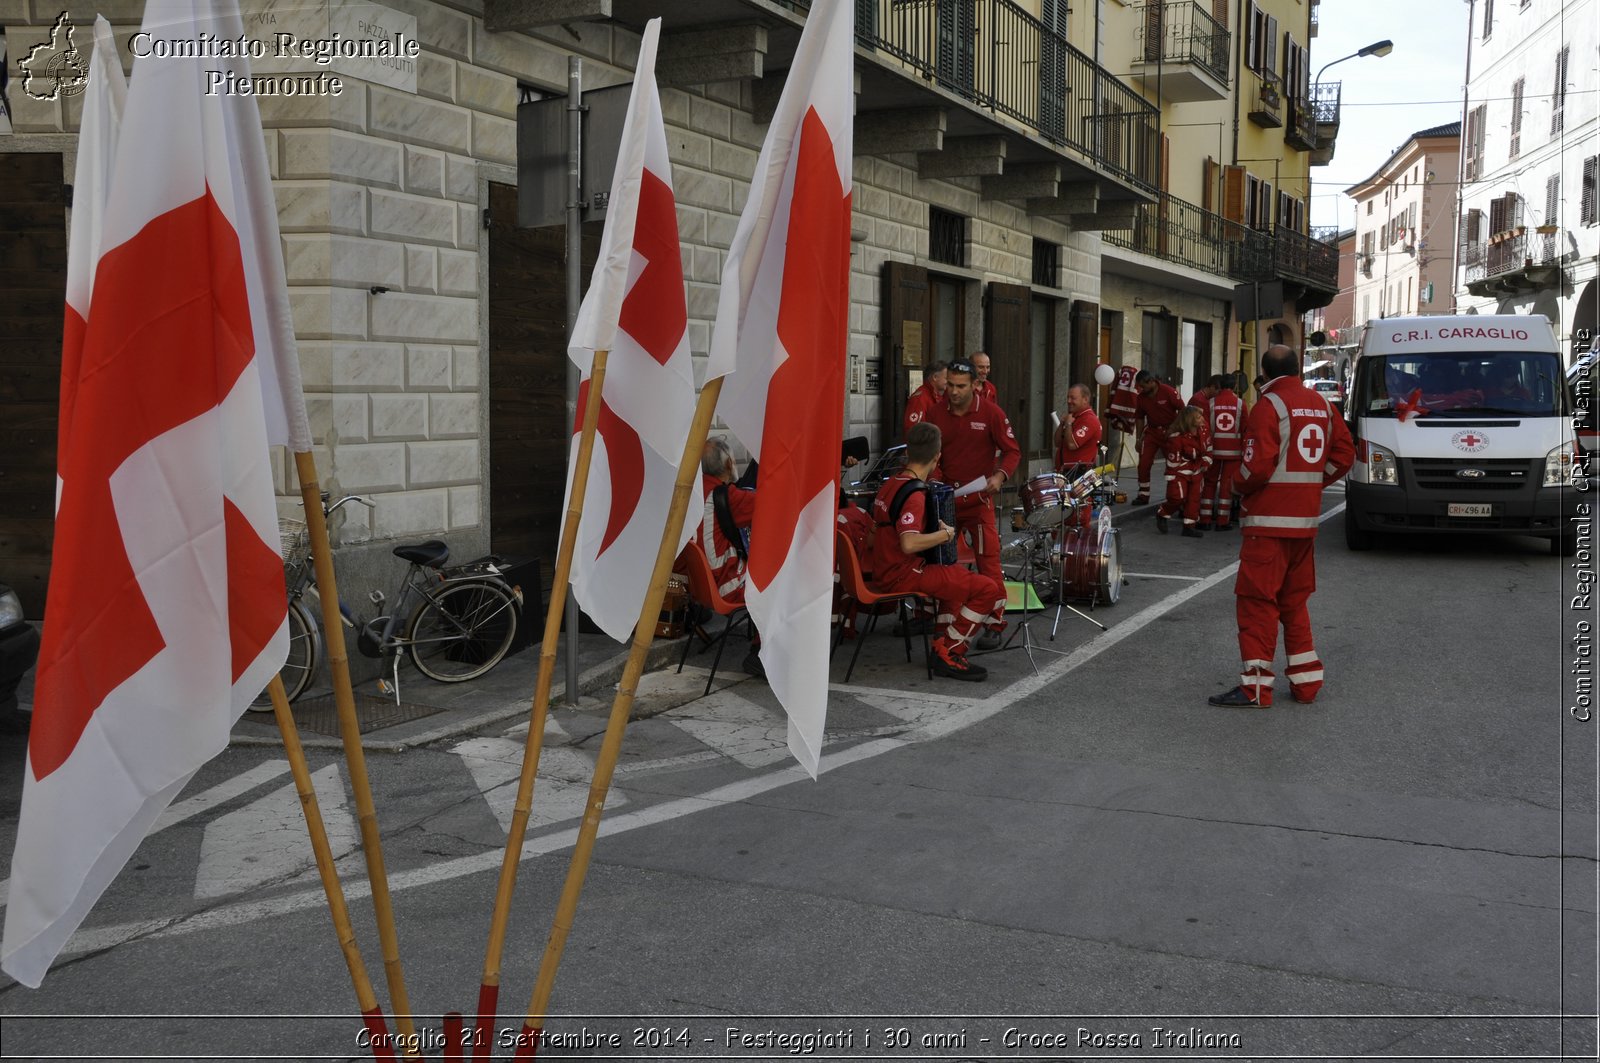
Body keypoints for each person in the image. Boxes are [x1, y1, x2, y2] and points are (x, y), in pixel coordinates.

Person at [1209, 345, 1354, 708]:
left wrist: (1236, 486)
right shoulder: (1322, 404)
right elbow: (1344, 455)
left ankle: (1255, 688)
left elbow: (1254, 467)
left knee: (1257, 603)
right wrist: (1310, 484)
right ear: (1296, 370)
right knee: (1294, 603)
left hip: (1268, 524)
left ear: (1265, 371)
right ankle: (1307, 685)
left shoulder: (1268, 405)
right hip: (1304, 524)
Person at [870, 422, 1006, 681]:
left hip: (885, 570)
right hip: (903, 574)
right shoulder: (915, 493)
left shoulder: (889, 484)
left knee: (952, 584)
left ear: (907, 452)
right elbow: (908, 544)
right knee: (986, 589)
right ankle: (951, 652)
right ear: (937, 456)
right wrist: (944, 535)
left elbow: (873, 536)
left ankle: (941, 643)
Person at [924, 357, 1020, 650]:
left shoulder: (991, 413)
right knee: (945, 562)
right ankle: (946, 623)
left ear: (974, 386)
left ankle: (994, 622)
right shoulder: (935, 412)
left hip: (979, 501)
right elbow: (929, 453)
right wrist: (935, 480)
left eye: (960, 386)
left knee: (987, 560)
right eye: (950, 385)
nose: (953, 392)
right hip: (946, 502)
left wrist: (1000, 477)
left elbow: (1012, 451)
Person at [690, 436, 765, 678]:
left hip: (701, 585)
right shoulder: (725, 496)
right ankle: (761, 653)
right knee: (778, 585)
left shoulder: (694, 491)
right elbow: (769, 505)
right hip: (725, 583)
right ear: (730, 464)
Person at [1155, 405, 1211, 538]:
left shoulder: (1203, 431)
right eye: (1198, 417)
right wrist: (1173, 477)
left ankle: (1189, 527)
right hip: (1180, 472)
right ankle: (1162, 513)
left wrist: (1206, 462)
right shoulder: (1176, 438)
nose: (1202, 419)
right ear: (1189, 420)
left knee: (1194, 500)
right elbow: (1173, 462)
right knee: (1177, 497)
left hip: (1197, 470)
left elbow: (1209, 448)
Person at [1131, 369, 1185, 504]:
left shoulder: (1169, 392)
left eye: (1143, 386)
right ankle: (1143, 495)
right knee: (1143, 463)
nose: (1141, 389)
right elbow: (1139, 418)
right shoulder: (1141, 397)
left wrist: (1173, 428)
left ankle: (1175, 497)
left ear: (1151, 382)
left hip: (1170, 433)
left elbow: (1183, 410)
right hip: (1152, 432)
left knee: (1173, 465)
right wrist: (1138, 439)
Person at [1199, 373, 1245, 531]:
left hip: (1213, 451)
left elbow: (1203, 428)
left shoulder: (1210, 403)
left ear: (1220, 385)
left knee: (1209, 483)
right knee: (1226, 486)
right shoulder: (1240, 404)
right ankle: (1222, 521)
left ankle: (1204, 519)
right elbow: (1246, 430)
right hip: (1233, 453)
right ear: (1234, 387)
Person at [1053, 383, 1102, 472]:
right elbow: (1057, 443)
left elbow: (1072, 445)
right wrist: (1062, 425)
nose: (1068, 401)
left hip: (1078, 473)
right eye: (1068, 397)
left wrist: (1068, 424)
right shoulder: (1073, 417)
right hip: (1065, 471)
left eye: (1073, 398)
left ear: (1085, 400)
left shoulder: (1089, 419)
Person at [903, 360, 949, 433]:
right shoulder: (920, 398)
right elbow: (914, 431)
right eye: (946, 378)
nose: (949, 381)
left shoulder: (943, 396)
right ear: (935, 377)